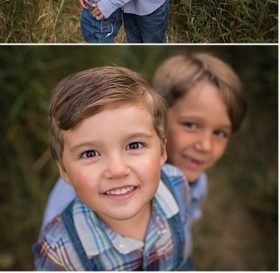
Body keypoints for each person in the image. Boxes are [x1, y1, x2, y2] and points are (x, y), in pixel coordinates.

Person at [41, 53, 245, 231]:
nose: (205, 146)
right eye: (190, 125)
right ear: (159, 121)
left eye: (219, 133)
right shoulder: (82, 188)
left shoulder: (195, 182)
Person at [33, 66, 191, 270]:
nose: (117, 170)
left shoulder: (177, 185)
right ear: (64, 171)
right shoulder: (59, 250)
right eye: (90, 153)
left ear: (162, 152)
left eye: (134, 145)